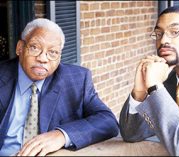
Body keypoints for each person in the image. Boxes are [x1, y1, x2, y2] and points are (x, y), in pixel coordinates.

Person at [0, 18, 119, 156]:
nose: (43, 58)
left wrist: (61, 135)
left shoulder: (77, 80)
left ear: (59, 57)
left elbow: (108, 121)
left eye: (53, 52)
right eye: (34, 47)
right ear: (19, 48)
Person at [119, 6, 179, 156]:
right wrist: (140, 93)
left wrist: (155, 88)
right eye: (158, 33)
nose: (163, 40)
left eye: (175, 32)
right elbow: (131, 135)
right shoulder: (165, 82)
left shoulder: (158, 85)